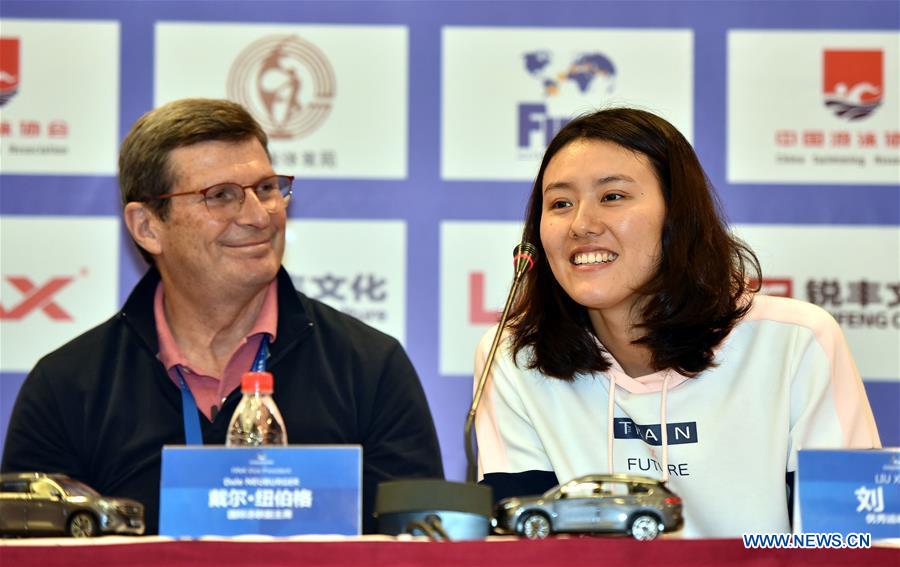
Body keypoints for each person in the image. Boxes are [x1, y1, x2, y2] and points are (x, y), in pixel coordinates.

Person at [2, 98, 444, 534]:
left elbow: (422, 548)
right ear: (148, 227)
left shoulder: (368, 368)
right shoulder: (68, 387)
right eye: (221, 196)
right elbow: (31, 552)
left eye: (266, 188)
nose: (258, 216)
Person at [473, 107, 880, 538]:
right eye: (560, 204)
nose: (581, 225)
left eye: (612, 197)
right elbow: (521, 545)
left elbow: (854, 539)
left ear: (678, 215)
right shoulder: (516, 358)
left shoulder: (796, 341)